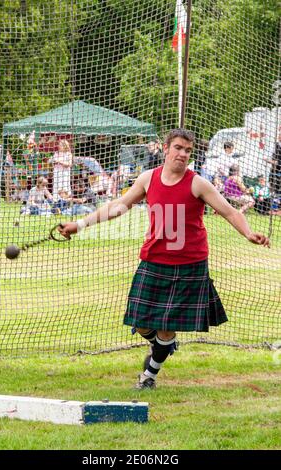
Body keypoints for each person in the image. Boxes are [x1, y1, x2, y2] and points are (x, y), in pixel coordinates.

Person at [58, 128, 270, 389]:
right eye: (178, 148)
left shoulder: (198, 183)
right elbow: (118, 207)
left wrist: (248, 233)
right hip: (154, 260)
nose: (182, 154)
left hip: (189, 264)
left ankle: (149, 375)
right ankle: (164, 345)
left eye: (188, 150)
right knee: (140, 323)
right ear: (165, 148)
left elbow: (228, 211)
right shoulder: (148, 179)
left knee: (166, 327)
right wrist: (79, 225)